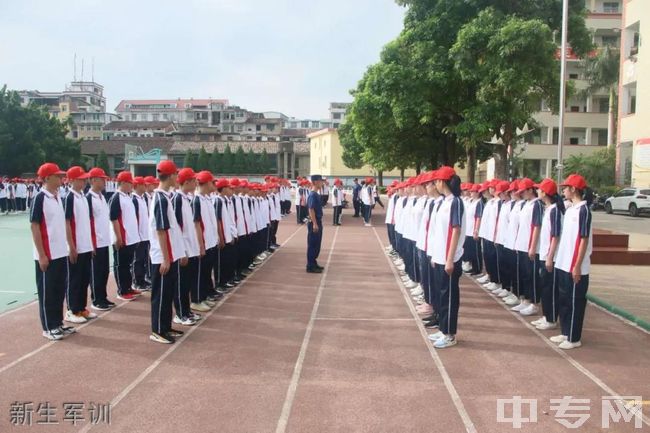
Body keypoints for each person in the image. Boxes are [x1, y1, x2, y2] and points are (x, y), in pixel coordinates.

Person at [31, 163, 76, 340]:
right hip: (47, 254)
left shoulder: (58, 197)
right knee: (47, 292)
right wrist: (41, 254)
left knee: (59, 290)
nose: (60, 178)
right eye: (57, 176)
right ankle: (48, 327)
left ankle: (58, 323)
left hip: (60, 252)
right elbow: (34, 226)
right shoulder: (40, 198)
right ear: (47, 178)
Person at [552, 174, 593, 350]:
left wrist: (577, 265)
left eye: (566, 187)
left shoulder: (584, 211)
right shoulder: (570, 210)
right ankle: (566, 331)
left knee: (575, 301)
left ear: (574, 189)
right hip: (563, 263)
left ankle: (574, 337)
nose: (563, 190)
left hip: (576, 266)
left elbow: (583, 240)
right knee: (564, 299)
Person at [148, 160, 187, 344]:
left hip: (170, 254)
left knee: (168, 293)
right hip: (163, 255)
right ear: (170, 176)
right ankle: (157, 330)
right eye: (176, 175)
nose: (177, 178)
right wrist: (165, 258)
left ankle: (165, 326)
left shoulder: (166, 197)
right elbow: (161, 230)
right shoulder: (160, 198)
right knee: (161, 295)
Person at [426, 166, 465, 349]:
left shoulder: (455, 202)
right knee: (441, 296)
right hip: (440, 257)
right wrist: (436, 254)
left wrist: (449, 258)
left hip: (450, 259)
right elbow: (439, 233)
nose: (435, 184)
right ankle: (443, 329)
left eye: (437, 181)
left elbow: (455, 230)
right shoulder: (444, 202)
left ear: (443, 182)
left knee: (449, 297)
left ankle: (450, 334)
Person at [63, 166, 96, 324]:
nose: (84, 181)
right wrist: (71, 246)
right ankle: (72, 310)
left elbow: (87, 222)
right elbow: (67, 223)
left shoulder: (82, 197)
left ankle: (81, 308)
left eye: (84, 179)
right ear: (72, 180)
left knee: (84, 278)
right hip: (76, 246)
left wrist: (91, 244)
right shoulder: (69, 197)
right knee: (74, 279)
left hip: (86, 245)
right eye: (81, 179)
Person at [531, 178, 565, 331]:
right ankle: (546, 316)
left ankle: (551, 319)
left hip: (552, 257)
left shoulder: (555, 211)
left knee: (550, 288)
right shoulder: (548, 209)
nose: (537, 191)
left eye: (539, 189)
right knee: (544, 287)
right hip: (544, 255)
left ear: (544, 193)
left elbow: (555, 235)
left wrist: (550, 257)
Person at [172, 168, 202, 324]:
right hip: (183, 250)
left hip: (191, 248)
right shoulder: (176, 199)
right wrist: (181, 250)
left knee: (187, 282)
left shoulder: (187, 199)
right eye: (194, 180)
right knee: (181, 283)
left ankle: (187, 311)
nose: (196, 183)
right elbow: (176, 227)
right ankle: (180, 313)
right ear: (188, 182)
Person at [109, 171, 142, 301]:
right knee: (120, 265)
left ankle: (128, 287)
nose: (131, 186)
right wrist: (118, 237)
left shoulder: (127, 197)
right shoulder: (116, 198)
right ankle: (122, 290)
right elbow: (114, 218)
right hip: (122, 238)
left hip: (131, 238)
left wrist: (136, 236)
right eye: (129, 183)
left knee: (127, 265)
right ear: (122, 183)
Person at [86, 167, 116, 311]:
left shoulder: (102, 197)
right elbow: (88, 222)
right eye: (101, 179)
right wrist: (91, 243)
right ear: (93, 180)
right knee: (96, 271)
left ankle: (103, 296)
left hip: (105, 240)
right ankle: (96, 299)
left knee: (104, 271)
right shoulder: (89, 198)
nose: (104, 181)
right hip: (95, 241)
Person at [132, 176, 151, 292]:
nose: (145, 186)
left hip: (145, 234)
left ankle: (142, 280)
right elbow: (135, 219)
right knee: (137, 260)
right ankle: (137, 282)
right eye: (143, 184)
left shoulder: (143, 199)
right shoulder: (134, 200)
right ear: (137, 186)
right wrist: (137, 234)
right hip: (139, 235)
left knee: (143, 259)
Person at [306, 174, 325, 274]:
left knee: (317, 244)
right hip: (315, 221)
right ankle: (310, 266)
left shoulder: (316, 194)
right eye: (321, 181)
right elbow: (311, 209)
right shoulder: (313, 194)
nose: (322, 183)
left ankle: (313, 262)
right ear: (316, 182)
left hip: (317, 221)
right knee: (313, 244)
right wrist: (314, 223)